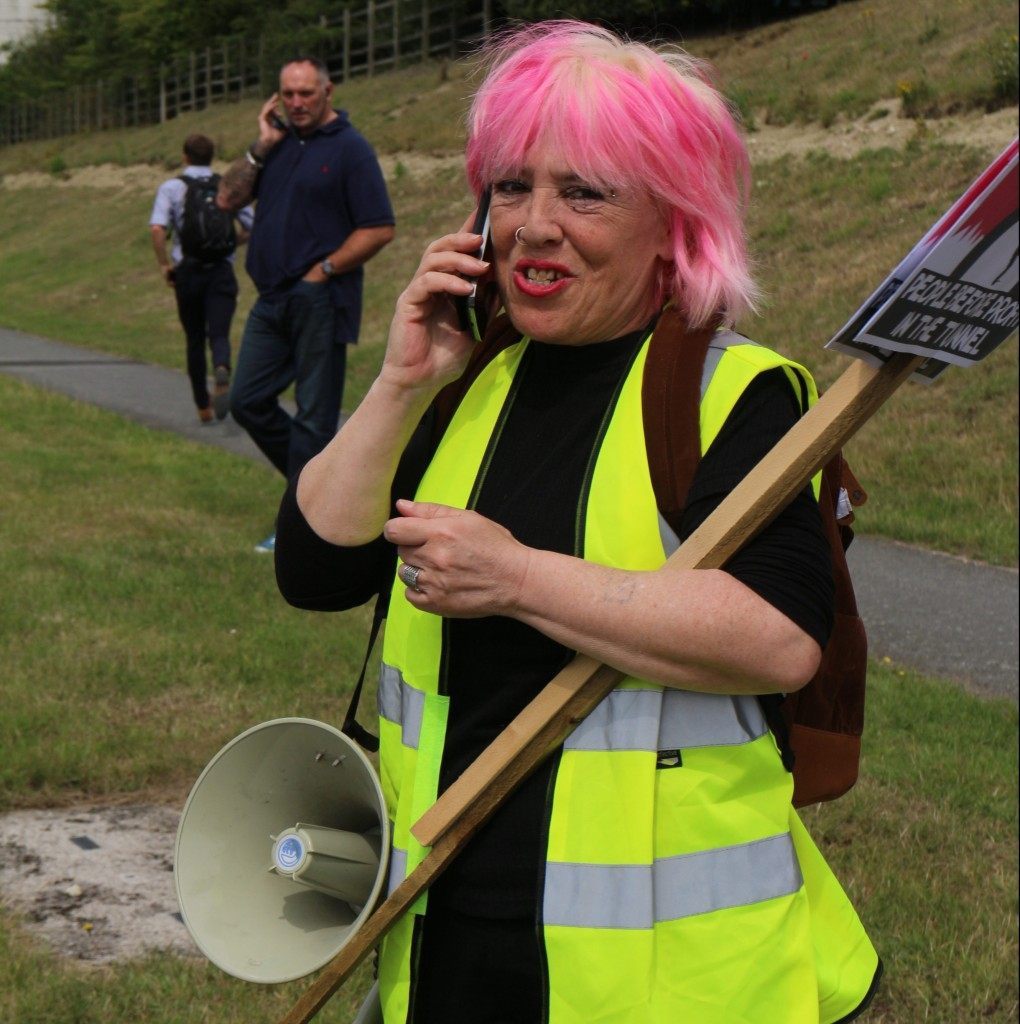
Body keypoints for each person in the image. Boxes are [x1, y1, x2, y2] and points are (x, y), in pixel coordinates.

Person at [275, 23, 881, 1024]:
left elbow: (778, 639)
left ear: (676, 224)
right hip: (447, 942)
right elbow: (315, 573)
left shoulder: (736, 395)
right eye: (511, 188)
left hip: (666, 982)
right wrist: (397, 384)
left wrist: (517, 578)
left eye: (585, 193)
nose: (534, 225)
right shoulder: (468, 382)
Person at [216, 55, 395, 553]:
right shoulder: (275, 147)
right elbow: (227, 201)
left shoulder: (350, 150)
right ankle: (320, 490)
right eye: (288, 94)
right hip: (271, 299)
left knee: (315, 417)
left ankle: (304, 530)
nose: (296, 103)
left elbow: (379, 226)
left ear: (327, 92)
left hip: (320, 298)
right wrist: (260, 146)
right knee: (246, 400)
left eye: (306, 94)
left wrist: (325, 271)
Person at [149, 133, 253, 423]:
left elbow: (158, 229)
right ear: (212, 157)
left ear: (185, 156)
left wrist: (164, 265)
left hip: (188, 272)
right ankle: (221, 366)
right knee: (218, 333)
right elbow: (251, 225)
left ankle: (203, 406)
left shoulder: (172, 187)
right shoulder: (227, 185)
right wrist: (233, 243)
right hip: (221, 270)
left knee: (194, 338)